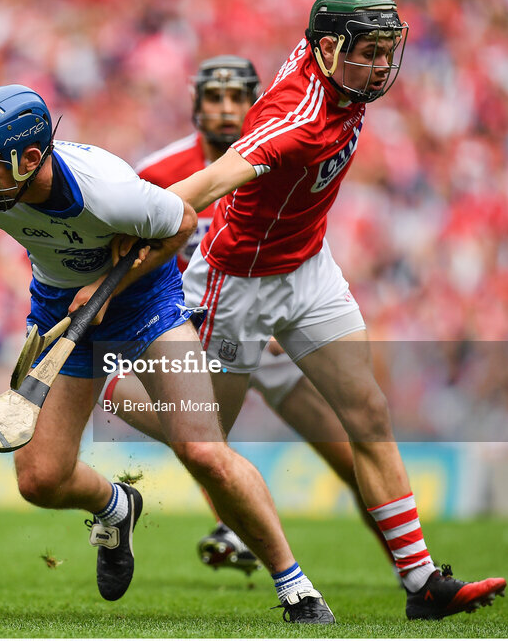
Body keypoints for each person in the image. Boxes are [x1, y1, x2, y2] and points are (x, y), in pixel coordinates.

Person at [0, 84, 335, 623]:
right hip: (60, 311)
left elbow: (179, 225)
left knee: (202, 450)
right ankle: (117, 506)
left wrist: (108, 286)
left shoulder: (109, 191)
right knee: (40, 480)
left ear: (31, 158)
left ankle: (296, 587)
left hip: (147, 305)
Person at [160, 0, 508, 621]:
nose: (380, 67)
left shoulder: (334, 47)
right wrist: (137, 225)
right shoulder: (294, 121)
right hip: (236, 284)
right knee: (206, 442)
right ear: (327, 50)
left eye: (385, 52)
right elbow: (207, 184)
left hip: (309, 268)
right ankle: (125, 422)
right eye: (367, 54)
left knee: (369, 412)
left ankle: (422, 583)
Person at [102, 54, 394, 576]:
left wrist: (287, 313)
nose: (226, 109)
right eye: (214, 98)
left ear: (256, 102)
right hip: (201, 324)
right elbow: (126, 254)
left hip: (274, 328)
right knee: (197, 436)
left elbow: (303, 236)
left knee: (349, 458)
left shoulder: (284, 145)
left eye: (237, 98)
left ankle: (410, 570)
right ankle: (235, 529)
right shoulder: (157, 173)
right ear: (196, 105)